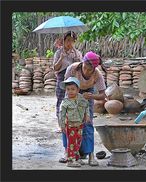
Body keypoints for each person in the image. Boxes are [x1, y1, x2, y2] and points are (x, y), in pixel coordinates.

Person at [62, 51, 107, 166]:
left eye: (89, 70)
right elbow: (67, 88)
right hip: (72, 92)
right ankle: (67, 153)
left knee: (87, 123)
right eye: (85, 68)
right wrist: (74, 98)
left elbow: (103, 95)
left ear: (94, 68)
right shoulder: (72, 69)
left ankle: (91, 155)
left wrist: (92, 96)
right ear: (82, 63)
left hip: (88, 94)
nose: (86, 71)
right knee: (69, 123)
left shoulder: (97, 74)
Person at [53, 31, 82, 161]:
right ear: (63, 41)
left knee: (73, 102)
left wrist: (77, 59)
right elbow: (55, 68)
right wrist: (62, 57)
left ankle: (73, 120)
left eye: (72, 40)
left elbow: (81, 66)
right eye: (67, 40)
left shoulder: (77, 53)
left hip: (74, 81)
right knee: (61, 102)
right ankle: (61, 123)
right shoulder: (59, 53)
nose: (69, 43)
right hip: (61, 79)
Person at [59, 77, 90, 167]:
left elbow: (87, 106)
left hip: (80, 125)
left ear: (78, 90)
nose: (70, 91)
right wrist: (62, 126)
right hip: (70, 125)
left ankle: (76, 157)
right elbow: (61, 115)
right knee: (71, 143)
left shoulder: (81, 99)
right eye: (68, 89)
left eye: (73, 89)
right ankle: (70, 161)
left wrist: (87, 115)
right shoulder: (65, 102)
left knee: (78, 142)